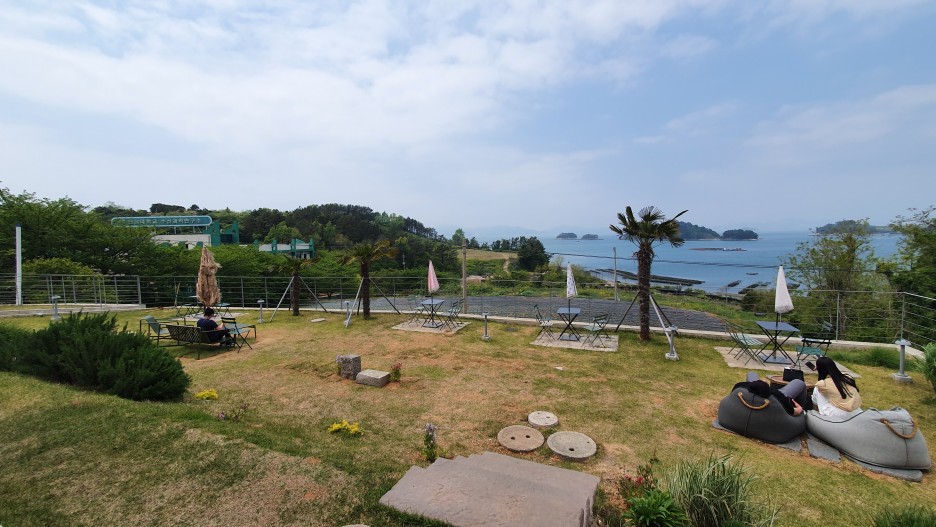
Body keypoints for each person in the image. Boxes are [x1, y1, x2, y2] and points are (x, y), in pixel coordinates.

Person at [733, 372, 808, 416]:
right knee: (799, 382)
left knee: (752, 373)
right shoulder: (778, 397)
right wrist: (800, 408)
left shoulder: (740, 387)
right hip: (776, 398)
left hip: (752, 392)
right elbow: (795, 411)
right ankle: (804, 415)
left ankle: (757, 382)